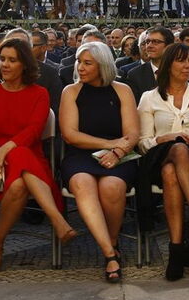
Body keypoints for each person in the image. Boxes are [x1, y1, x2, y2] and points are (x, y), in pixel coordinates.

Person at [0, 37, 73, 274]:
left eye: (12, 60)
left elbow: (33, 132)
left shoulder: (39, 93)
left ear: (25, 65)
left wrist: (4, 150)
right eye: (2, 60)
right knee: (18, 162)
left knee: (18, 171)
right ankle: (57, 219)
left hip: (29, 157)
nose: (5, 65)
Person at [137, 43, 189, 280]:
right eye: (182, 61)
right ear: (168, 65)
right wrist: (165, 138)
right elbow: (143, 142)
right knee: (176, 150)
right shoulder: (149, 98)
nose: (188, 66)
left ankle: (176, 252)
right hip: (156, 158)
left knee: (172, 171)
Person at [59, 41, 140, 282]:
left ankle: (112, 240)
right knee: (84, 183)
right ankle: (109, 254)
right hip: (80, 155)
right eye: (78, 62)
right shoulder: (71, 92)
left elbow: (133, 133)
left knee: (111, 187)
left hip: (120, 154)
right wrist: (109, 145)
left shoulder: (122, 90)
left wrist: (117, 152)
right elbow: (70, 135)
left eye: (87, 63)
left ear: (102, 66)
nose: (80, 68)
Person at [127, 26, 173, 102]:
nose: (149, 46)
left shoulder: (180, 70)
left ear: (169, 46)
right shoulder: (135, 75)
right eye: (147, 42)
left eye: (155, 42)